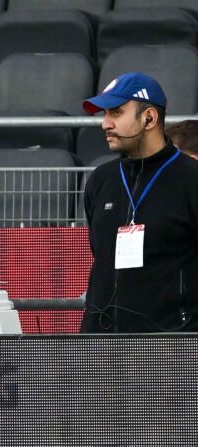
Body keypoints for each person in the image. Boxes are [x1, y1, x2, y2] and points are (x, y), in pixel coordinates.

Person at [81, 72, 198, 333]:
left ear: (149, 118)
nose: (105, 124)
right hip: (100, 345)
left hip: (171, 349)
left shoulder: (191, 180)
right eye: (105, 114)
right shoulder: (100, 180)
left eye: (116, 113)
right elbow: (100, 255)